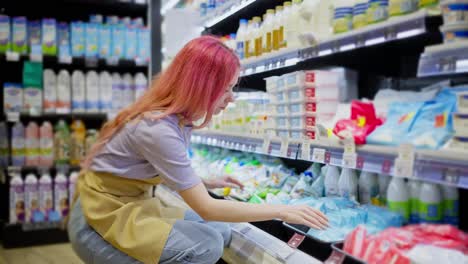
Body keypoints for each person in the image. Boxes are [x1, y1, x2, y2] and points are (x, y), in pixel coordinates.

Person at [68, 36, 328, 264]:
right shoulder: (158, 127)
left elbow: (148, 168)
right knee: (206, 245)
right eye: (226, 88)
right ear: (200, 85)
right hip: (100, 215)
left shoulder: (175, 119)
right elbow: (208, 209)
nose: (232, 97)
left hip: (128, 202)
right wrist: (281, 211)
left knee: (222, 231)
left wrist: (205, 181)